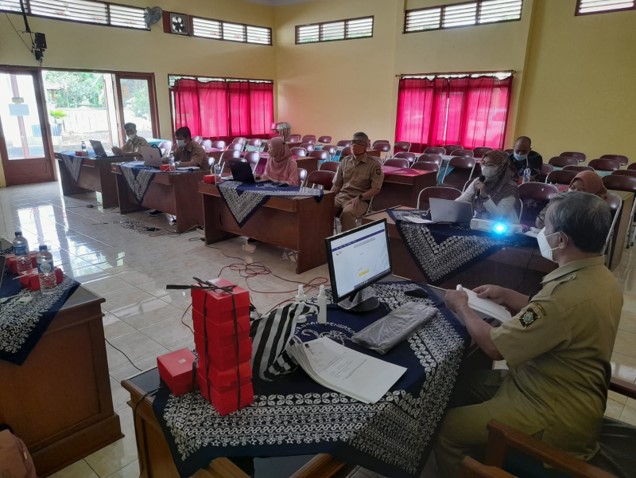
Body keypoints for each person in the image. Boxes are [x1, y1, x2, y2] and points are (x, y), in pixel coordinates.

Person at [434, 192, 622, 478]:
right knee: (461, 383)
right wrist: (508, 294)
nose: (541, 231)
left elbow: (495, 347)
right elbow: (555, 318)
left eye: (546, 227)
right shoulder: (601, 278)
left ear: (561, 240)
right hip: (558, 389)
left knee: (448, 429)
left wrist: (462, 307)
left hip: (549, 409)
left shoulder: (562, 297)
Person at [332, 132, 384, 231]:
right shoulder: (345, 161)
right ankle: (323, 237)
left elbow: (376, 189)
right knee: (322, 208)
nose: (354, 145)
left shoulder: (374, 165)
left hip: (360, 200)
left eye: (358, 142)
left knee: (347, 213)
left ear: (365, 146)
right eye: (353, 142)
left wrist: (360, 197)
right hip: (342, 196)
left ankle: (347, 239)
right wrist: (327, 198)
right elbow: (337, 184)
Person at [456, 150, 519, 223]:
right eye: (483, 163)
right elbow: (461, 201)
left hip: (504, 225)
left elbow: (498, 215)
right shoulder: (478, 181)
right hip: (480, 223)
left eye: (491, 165)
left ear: (501, 168)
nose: (485, 167)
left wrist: (484, 196)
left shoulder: (510, 188)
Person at [536, 170, 608, 228]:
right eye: (572, 187)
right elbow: (539, 222)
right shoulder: (560, 198)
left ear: (592, 193)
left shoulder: (595, 211)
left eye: (582, 190)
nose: (574, 192)